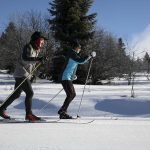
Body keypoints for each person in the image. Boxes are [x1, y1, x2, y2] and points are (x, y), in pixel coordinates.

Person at [0, 31, 48, 121]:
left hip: (25, 74)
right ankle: (29, 114)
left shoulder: (36, 50)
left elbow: (31, 65)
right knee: (30, 93)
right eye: (41, 40)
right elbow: (25, 59)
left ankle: (1, 109)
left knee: (16, 94)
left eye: (43, 41)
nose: (42, 43)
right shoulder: (28, 47)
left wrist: (34, 74)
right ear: (36, 40)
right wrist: (38, 59)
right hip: (21, 74)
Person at [58, 40, 96, 119]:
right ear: (75, 48)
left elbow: (72, 65)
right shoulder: (72, 53)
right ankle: (62, 111)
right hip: (65, 77)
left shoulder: (72, 54)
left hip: (67, 77)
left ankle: (62, 111)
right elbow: (81, 61)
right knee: (71, 94)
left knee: (72, 94)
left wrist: (72, 76)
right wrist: (89, 55)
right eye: (79, 48)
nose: (80, 49)